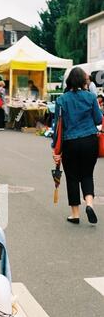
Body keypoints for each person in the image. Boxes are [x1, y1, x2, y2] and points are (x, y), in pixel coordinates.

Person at [52, 67, 103, 225]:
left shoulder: (62, 100)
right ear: (83, 81)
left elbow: (58, 126)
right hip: (89, 140)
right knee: (87, 174)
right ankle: (89, 203)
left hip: (70, 143)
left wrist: (55, 149)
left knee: (72, 177)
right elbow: (98, 119)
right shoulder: (90, 97)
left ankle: (75, 214)